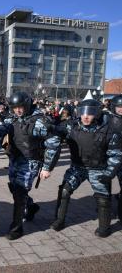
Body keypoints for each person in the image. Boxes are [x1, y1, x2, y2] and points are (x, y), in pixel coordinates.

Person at [50, 99, 122, 237]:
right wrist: (49, 127)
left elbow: (116, 154)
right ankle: (59, 220)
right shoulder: (72, 126)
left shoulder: (108, 130)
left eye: (90, 113)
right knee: (64, 190)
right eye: (83, 113)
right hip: (78, 167)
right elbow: (56, 130)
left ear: (98, 113)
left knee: (102, 198)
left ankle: (104, 227)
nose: (86, 116)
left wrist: (109, 173)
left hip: (99, 169)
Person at [3, 92, 61, 240]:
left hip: (31, 161)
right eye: (15, 108)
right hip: (15, 159)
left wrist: (47, 167)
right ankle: (31, 206)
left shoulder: (40, 121)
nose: (18, 110)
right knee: (14, 187)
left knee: (20, 192)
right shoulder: (12, 118)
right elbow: (2, 130)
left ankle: (16, 227)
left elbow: (53, 143)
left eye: (20, 107)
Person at [106, 95, 122, 223]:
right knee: (105, 186)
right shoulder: (106, 119)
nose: (121, 109)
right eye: (119, 106)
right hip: (108, 158)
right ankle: (104, 210)